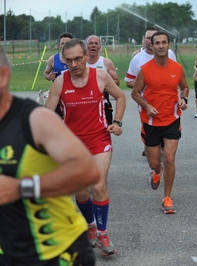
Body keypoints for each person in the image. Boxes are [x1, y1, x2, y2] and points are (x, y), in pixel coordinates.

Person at [0, 48, 100, 265]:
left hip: (56, 251)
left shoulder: (35, 120)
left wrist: (20, 188)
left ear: (3, 76)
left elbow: (87, 171)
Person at [45, 38, 126, 255]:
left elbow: (120, 96)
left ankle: (103, 232)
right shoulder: (60, 83)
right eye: (69, 60)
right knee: (81, 193)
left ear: (85, 56)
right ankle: (90, 224)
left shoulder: (100, 76)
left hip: (99, 139)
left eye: (78, 59)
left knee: (98, 186)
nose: (74, 64)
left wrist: (117, 122)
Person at [131, 31, 189, 214]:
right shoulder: (145, 69)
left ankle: (167, 197)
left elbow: (185, 87)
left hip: (172, 119)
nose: (161, 46)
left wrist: (184, 99)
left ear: (169, 45)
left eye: (164, 42)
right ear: (152, 45)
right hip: (150, 121)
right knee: (155, 163)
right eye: (158, 43)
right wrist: (147, 106)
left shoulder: (177, 68)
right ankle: (157, 172)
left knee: (170, 158)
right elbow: (134, 93)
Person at [125, 26, 177, 157]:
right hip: (146, 103)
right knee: (150, 133)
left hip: (168, 103)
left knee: (167, 134)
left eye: (154, 37)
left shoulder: (170, 54)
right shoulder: (137, 58)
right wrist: (144, 84)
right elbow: (128, 81)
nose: (151, 40)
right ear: (144, 40)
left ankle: (161, 152)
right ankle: (152, 153)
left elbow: (175, 74)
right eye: (148, 38)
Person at [85, 34, 120, 124]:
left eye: (96, 44)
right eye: (91, 43)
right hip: (84, 104)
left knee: (104, 133)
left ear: (99, 47)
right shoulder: (81, 62)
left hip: (103, 103)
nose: (93, 45)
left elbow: (116, 81)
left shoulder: (106, 62)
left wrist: (104, 86)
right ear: (86, 46)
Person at [43, 32, 74, 117]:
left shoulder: (78, 59)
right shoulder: (53, 59)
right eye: (62, 43)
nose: (64, 46)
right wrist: (49, 77)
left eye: (67, 43)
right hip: (57, 95)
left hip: (73, 94)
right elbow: (45, 73)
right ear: (59, 45)